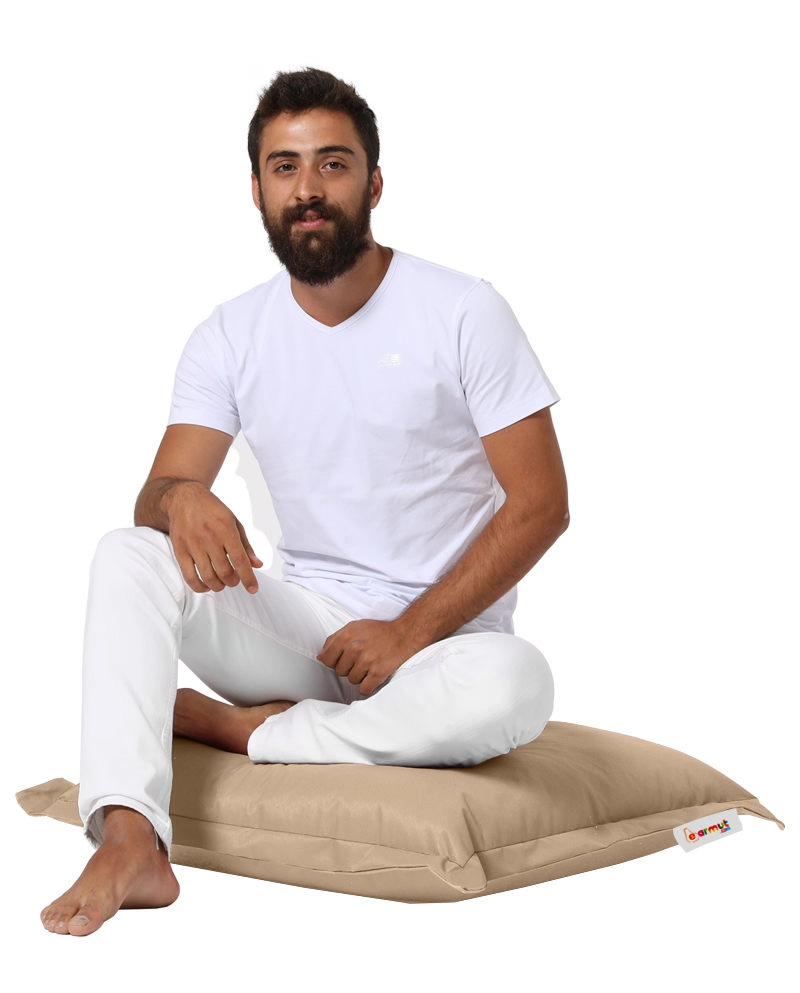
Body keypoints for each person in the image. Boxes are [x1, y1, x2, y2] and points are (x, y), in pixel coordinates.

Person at [41, 68, 569, 936]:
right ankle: (130, 836)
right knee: (126, 552)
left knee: (520, 683)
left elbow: (542, 504)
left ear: (374, 183)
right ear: (257, 190)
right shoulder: (229, 334)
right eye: (284, 168)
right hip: (307, 628)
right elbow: (156, 492)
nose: (309, 188)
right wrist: (181, 499)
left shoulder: (463, 310)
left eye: (333, 163)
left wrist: (409, 632)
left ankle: (245, 733)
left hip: (444, 647)